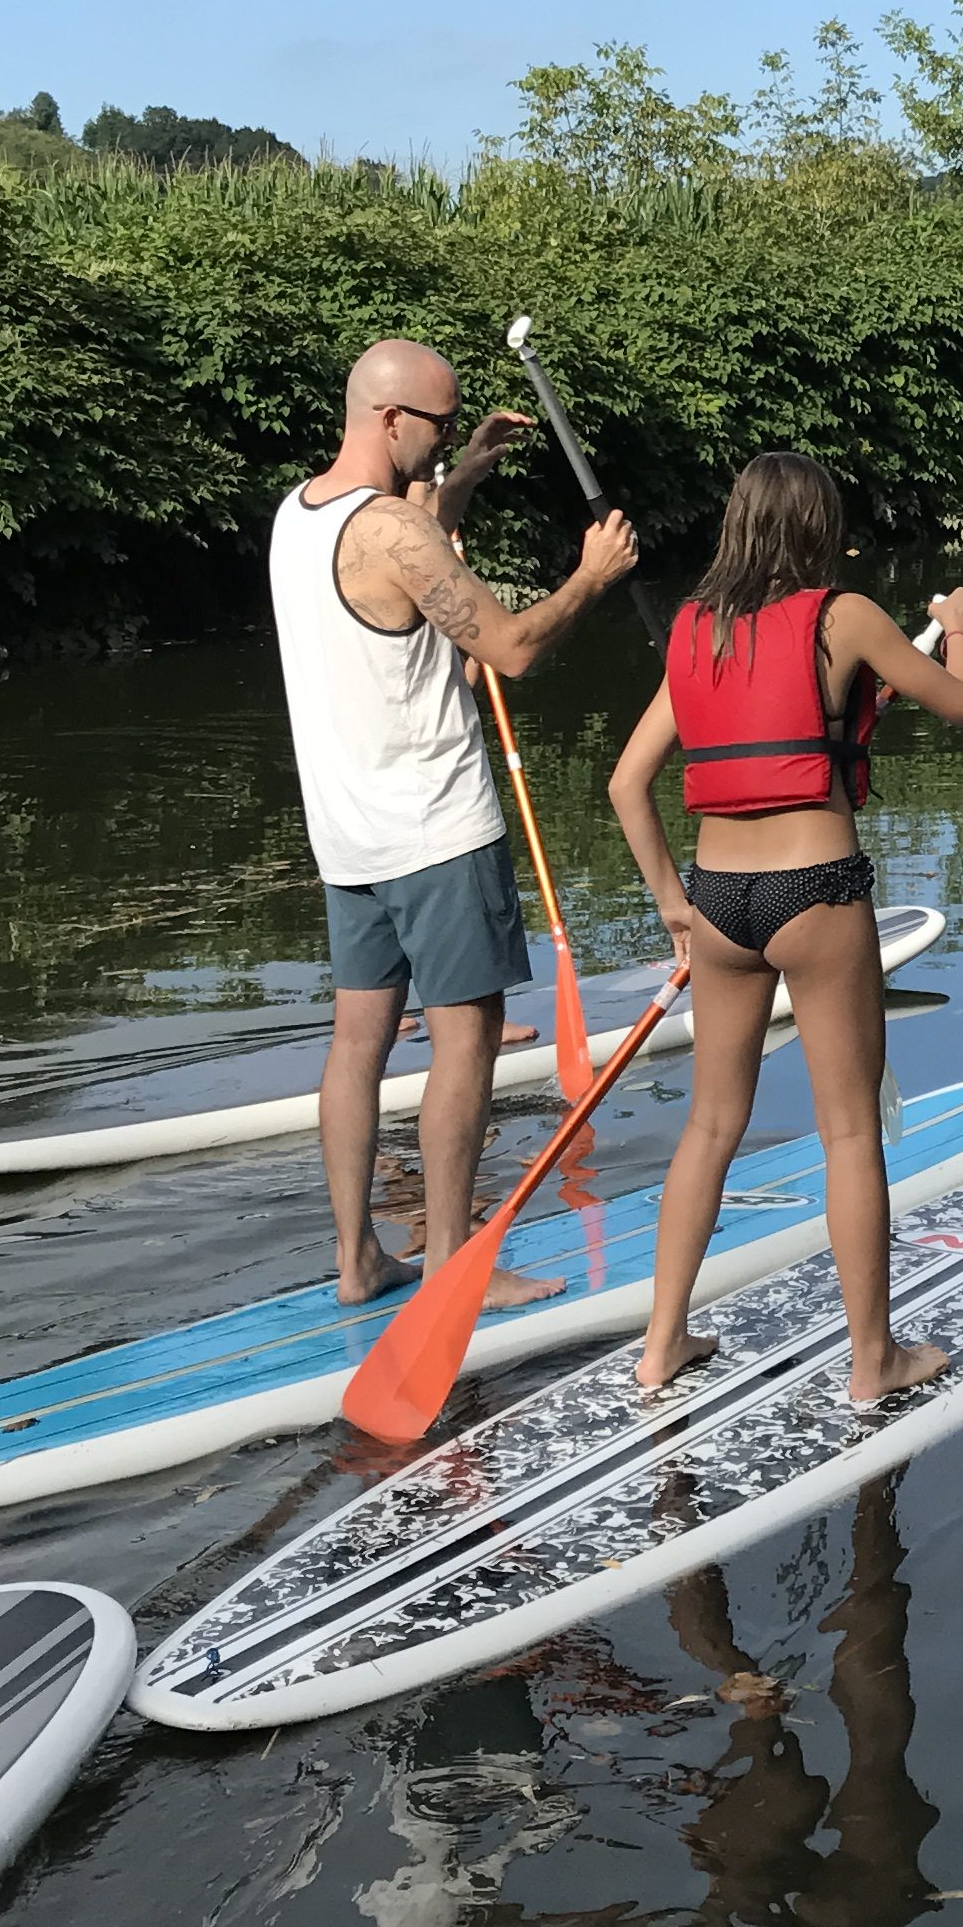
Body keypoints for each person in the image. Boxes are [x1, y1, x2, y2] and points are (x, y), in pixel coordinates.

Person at [606, 449, 963, 1404]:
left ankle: (661, 1345)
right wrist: (956, 624)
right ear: (820, 529)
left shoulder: (694, 629)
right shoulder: (843, 616)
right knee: (850, 1132)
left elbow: (626, 784)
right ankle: (873, 1361)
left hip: (718, 903)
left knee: (710, 1124)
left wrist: (673, 906)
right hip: (816, 892)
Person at [270, 336, 638, 1307]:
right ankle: (452, 1266)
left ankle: (358, 1261)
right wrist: (592, 576)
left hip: (349, 837)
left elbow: (401, 562)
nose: (442, 440)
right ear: (392, 418)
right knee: (466, 1042)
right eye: (439, 426)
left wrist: (464, 473)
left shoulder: (299, 515)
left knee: (357, 1046)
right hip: (437, 829)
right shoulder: (394, 527)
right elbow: (509, 647)